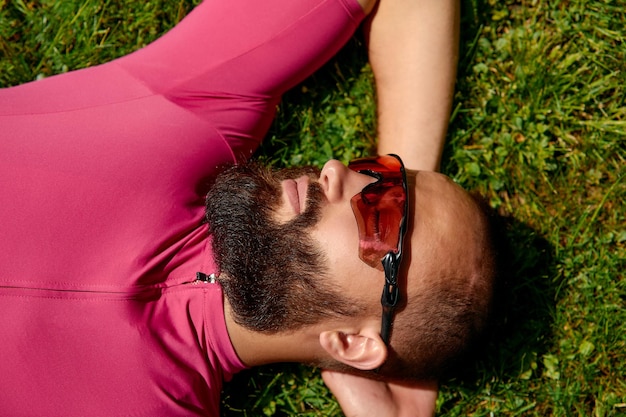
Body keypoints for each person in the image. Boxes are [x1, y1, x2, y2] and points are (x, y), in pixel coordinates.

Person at [0, 0, 494, 416]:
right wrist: (401, 183)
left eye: (383, 217)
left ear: (352, 342)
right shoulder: (183, 119)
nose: (335, 169)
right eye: (379, 174)